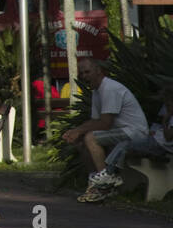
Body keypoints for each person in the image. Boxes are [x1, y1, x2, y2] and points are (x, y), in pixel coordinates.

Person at [64, 57, 149, 202]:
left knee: (91, 137)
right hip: (121, 132)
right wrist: (76, 131)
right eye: (82, 73)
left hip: (134, 133)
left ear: (98, 71)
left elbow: (105, 123)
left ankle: (106, 184)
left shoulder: (109, 88)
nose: (84, 76)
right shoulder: (97, 91)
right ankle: (95, 183)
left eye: (87, 72)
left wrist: (79, 130)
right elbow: (95, 120)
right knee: (82, 142)